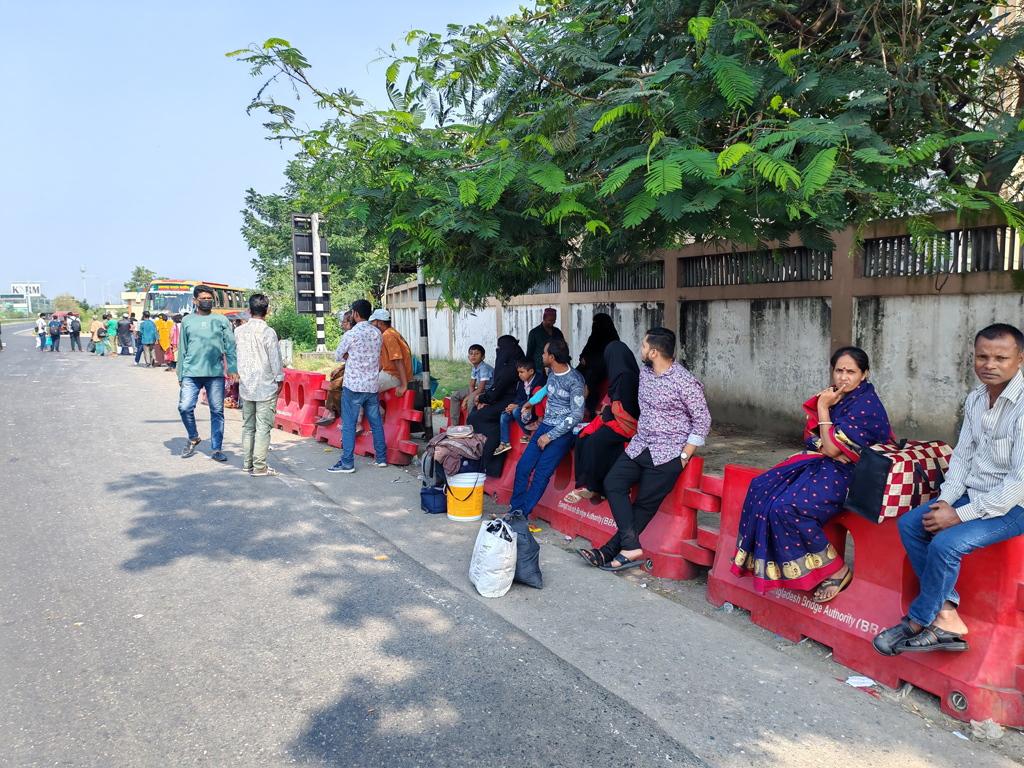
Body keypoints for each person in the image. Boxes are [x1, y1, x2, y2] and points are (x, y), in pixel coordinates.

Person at [874, 324, 1024, 656]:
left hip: (1015, 507)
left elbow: (1018, 484)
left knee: (945, 543)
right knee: (912, 524)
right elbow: (961, 458)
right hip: (974, 496)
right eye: (982, 356)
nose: (990, 364)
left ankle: (918, 619)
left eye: (1001, 357)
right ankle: (947, 615)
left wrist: (958, 515)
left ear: (1020, 359)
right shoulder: (975, 399)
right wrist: (944, 502)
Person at [729, 347, 892, 600]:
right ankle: (764, 564)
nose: (843, 377)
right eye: (839, 370)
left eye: (851, 372)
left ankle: (836, 570)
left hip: (857, 475)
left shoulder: (866, 405)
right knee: (761, 487)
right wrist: (827, 444)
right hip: (826, 465)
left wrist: (824, 411)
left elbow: (830, 446)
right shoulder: (835, 395)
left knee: (787, 508)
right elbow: (813, 438)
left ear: (864, 374)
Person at [578, 327, 711, 571]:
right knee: (613, 483)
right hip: (640, 446)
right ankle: (629, 547)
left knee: (643, 506)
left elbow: (703, 421)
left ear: (653, 352)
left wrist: (683, 457)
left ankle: (610, 552)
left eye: (642, 345)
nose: (639, 349)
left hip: (668, 455)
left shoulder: (686, 383)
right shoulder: (645, 374)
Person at [507, 339, 585, 526]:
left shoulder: (575, 380)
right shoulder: (550, 373)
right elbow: (545, 392)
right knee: (523, 467)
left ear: (551, 357)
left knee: (541, 475)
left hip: (562, 433)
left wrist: (551, 435)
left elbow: (576, 415)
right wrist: (529, 403)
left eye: (543, 353)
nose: (541, 356)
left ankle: (521, 515)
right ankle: (514, 510)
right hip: (544, 427)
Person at [564, 340, 641, 504]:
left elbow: (628, 411)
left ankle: (593, 487)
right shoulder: (619, 378)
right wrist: (607, 411)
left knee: (595, 441)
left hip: (627, 426)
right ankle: (583, 484)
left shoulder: (628, 378)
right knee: (582, 437)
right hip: (615, 421)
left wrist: (608, 411)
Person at [177, 285, 238, 463]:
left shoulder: (221, 320)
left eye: (209, 298)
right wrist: (180, 374)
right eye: (202, 299)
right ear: (195, 301)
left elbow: (230, 346)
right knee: (185, 407)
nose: (206, 301)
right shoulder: (187, 321)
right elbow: (182, 348)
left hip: (215, 373)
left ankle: (216, 449)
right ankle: (193, 437)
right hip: (191, 372)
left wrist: (232, 369)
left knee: (217, 411)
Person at [326, 300, 387, 474]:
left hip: (353, 386)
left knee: (349, 424)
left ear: (355, 314)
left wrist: (348, 355)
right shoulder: (377, 333)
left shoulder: (351, 334)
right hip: (371, 385)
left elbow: (338, 355)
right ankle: (381, 458)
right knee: (376, 423)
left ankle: (347, 462)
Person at [234, 293, 285, 477]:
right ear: (267, 311)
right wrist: (279, 379)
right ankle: (259, 466)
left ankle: (247, 464)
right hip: (266, 387)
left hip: (246, 386)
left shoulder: (238, 331)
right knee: (263, 427)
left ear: (249, 311)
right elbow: (275, 360)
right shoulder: (268, 333)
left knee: (248, 426)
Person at [466, 336, 527, 474]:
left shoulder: (511, 368)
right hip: (504, 399)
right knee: (479, 414)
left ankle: (486, 461)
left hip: (511, 401)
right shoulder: (513, 362)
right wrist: (485, 400)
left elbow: (496, 391)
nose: (498, 350)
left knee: (474, 418)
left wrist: (482, 399)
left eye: (499, 348)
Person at [494, 357, 547, 456]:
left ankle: (528, 433)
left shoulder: (539, 382)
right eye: (518, 372)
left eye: (522, 372)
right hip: (524, 408)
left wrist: (516, 406)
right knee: (505, 414)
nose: (519, 375)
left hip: (535, 410)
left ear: (531, 371)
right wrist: (511, 406)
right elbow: (519, 398)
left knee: (516, 411)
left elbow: (534, 400)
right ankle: (504, 442)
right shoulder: (521, 383)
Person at [315, 310, 354, 428]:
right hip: (351, 367)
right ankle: (331, 411)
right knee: (335, 375)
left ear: (350, 323)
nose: (342, 325)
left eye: (344, 322)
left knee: (334, 386)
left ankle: (342, 414)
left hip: (358, 373)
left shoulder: (352, 335)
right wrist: (339, 368)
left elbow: (340, 356)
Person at [576, 312, 619, 413]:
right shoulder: (593, 337)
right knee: (575, 373)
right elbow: (585, 352)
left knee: (590, 374)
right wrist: (583, 359)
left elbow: (605, 358)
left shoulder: (612, 339)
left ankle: (591, 403)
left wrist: (589, 361)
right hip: (589, 365)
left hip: (603, 369)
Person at [369, 309, 411, 397]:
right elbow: (383, 360)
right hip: (390, 373)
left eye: (373, 322)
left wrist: (404, 385)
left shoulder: (388, 335)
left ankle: (376, 411)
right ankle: (379, 410)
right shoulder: (390, 333)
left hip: (394, 376)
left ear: (380, 323)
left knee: (362, 388)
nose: (371, 325)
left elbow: (398, 360)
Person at [449, 345, 493, 421]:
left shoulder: (484, 368)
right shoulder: (474, 367)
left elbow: (481, 389)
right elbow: (471, 385)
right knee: (455, 395)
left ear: (483, 357)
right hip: (479, 390)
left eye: (477, 353)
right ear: (468, 357)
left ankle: (469, 426)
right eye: (471, 353)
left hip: (488, 391)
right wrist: (471, 394)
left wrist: (467, 399)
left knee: (471, 401)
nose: (473, 356)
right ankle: (454, 423)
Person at [525, 308, 565, 372]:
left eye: (554, 320)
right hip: (539, 369)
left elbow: (563, 350)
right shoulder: (534, 333)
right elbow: (529, 353)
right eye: (550, 320)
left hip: (555, 369)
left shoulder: (558, 332)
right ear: (544, 318)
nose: (553, 322)